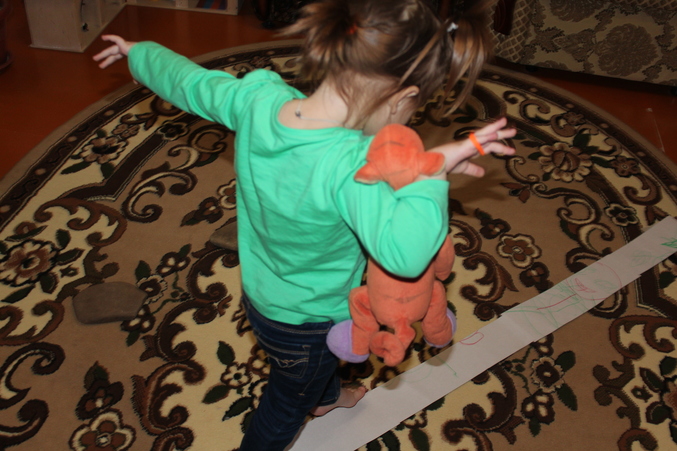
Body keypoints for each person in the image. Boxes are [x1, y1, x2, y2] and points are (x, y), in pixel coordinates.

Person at [94, 0, 515, 449]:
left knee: (310, 372)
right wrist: (430, 178)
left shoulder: (259, 98)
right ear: (400, 99)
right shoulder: (353, 168)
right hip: (310, 320)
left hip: (261, 295)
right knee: (285, 403)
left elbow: (191, 83)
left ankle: (326, 398)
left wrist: (139, 53)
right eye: (414, 111)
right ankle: (297, 411)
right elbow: (406, 256)